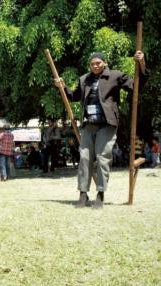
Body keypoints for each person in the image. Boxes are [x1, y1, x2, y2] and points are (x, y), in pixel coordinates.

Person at [55, 50, 147, 208]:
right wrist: (62, 87)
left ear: (105, 63)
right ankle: (83, 194)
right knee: (84, 158)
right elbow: (74, 96)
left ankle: (100, 194)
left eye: (98, 63)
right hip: (88, 124)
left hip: (107, 124)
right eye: (92, 64)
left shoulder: (115, 76)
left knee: (103, 158)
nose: (95, 66)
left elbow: (136, 85)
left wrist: (142, 63)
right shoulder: (84, 79)